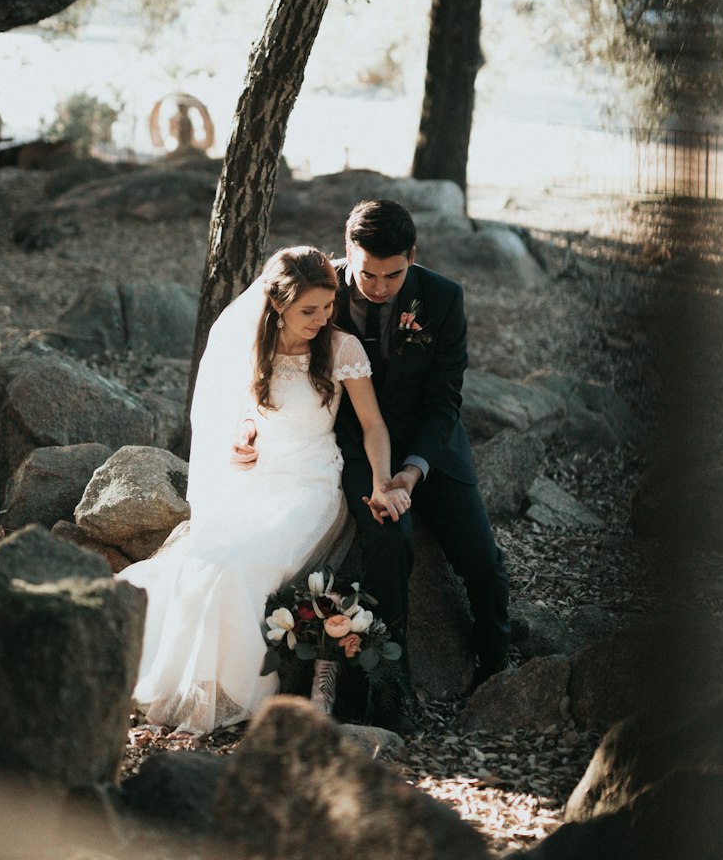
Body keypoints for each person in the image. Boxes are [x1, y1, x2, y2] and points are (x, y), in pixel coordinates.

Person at [115, 245, 408, 735]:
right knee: (202, 562)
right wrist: (242, 440)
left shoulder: (341, 349)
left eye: (328, 306)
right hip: (257, 478)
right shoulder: (253, 349)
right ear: (277, 306)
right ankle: (184, 687)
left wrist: (382, 480)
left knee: (241, 569)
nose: (322, 318)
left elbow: (374, 425)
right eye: (308, 310)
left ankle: (234, 696)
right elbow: (243, 419)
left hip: (311, 484)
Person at [333, 198, 512, 733]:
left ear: (413, 255)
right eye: (367, 273)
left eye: (393, 274)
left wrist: (413, 471)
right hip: (355, 441)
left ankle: (496, 665)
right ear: (347, 252)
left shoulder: (443, 298)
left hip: (433, 443)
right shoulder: (319, 292)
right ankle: (393, 688)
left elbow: (444, 400)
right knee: (390, 539)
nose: (379, 286)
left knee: (481, 558)